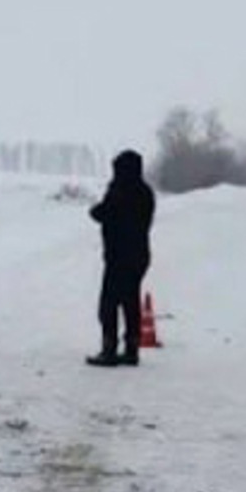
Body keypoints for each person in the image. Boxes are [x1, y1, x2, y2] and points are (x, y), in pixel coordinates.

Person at [87, 150, 156, 367]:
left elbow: (103, 213)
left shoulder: (119, 190)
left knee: (108, 303)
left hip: (118, 256)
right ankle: (131, 349)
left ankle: (109, 349)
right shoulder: (146, 193)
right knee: (131, 302)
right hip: (140, 255)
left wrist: (94, 210)